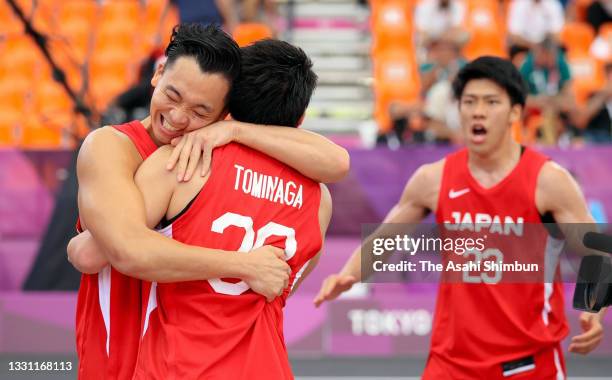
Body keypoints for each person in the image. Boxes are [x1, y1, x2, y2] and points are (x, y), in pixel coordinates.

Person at [67, 24, 349, 379]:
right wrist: (244, 264)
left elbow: (88, 254)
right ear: (157, 74)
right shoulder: (317, 198)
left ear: (227, 110)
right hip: (249, 363)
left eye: (201, 111)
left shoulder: (183, 164)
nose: (181, 117)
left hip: (168, 362)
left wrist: (234, 132)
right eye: (173, 95)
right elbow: (337, 165)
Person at [315, 56, 605, 379]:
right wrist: (350, 274)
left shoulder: (548, 181)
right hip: (450, 365)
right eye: (469, 102)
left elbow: (597, 251)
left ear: (515, 112)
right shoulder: (433, 178)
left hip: (528, 365)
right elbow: (386, 237)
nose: (478, 111)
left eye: (491, 102)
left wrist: (594, 308)